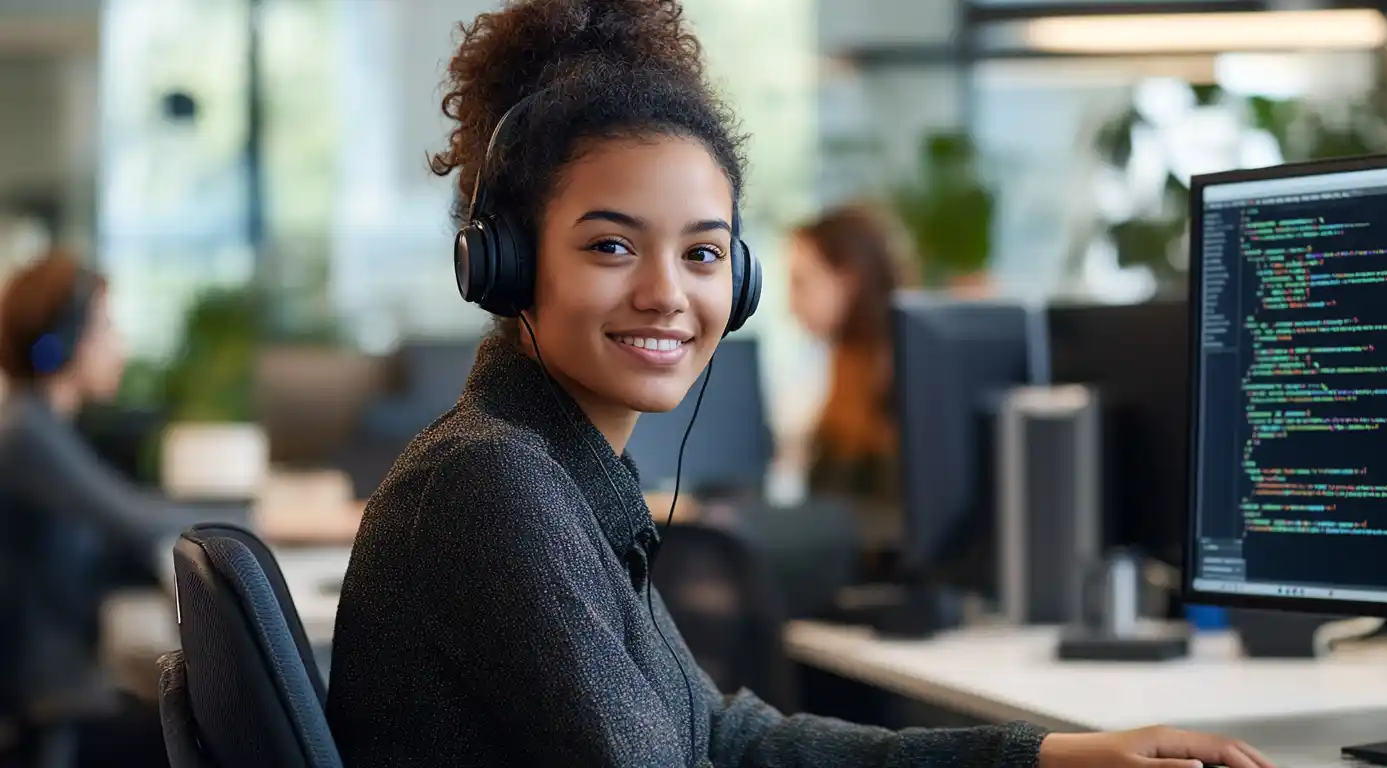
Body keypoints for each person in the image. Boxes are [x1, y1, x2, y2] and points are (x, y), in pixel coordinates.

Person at [325, 2, 1274, 767]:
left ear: (736, 285)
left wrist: (1050, 755)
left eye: (703, 252)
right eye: (612, 245)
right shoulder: (492, 485)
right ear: (506, 265)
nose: (666, 293)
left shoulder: (550, 476)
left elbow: (729, 739)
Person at [0, 253, 191, 767]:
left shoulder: (43, 425)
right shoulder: (25, 432)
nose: (119, 346)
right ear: (61, 341)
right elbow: (132, 517)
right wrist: (263, 514)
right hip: (50, 720)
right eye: (105, 326)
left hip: (63, 699)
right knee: (222, 736)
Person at [783, 202, 912, 550]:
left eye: (801, 283)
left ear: (849, 279)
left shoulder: (898, 380)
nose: (790, 305)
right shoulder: (838, 373)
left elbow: (894, 522)